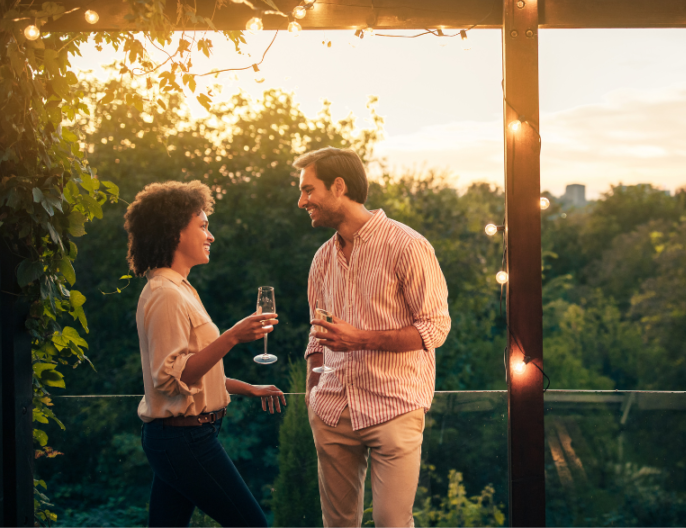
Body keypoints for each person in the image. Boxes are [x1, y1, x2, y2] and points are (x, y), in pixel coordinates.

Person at [296, 147, 452, 528]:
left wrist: (361, 339)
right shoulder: (321, 259)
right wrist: (313, 394)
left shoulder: (408, 245)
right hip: (332, 411)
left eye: (308, 190)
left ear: (338, 186)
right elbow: (317, 338)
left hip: (394, 408)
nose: (302, 201)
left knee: (392, 524)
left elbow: (435, 327)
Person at [125, 180, 287, 528]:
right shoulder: (165, 294)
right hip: (184, 440)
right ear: (174, 232)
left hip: (183, 437)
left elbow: (196, 372)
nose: (210, 235)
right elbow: (172, 379)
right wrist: (231, 337)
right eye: (202, 225)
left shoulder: (179, 289)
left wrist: (249, 389)